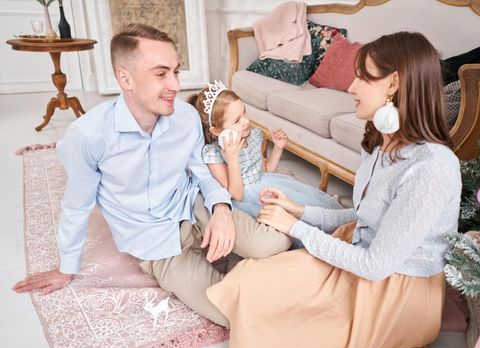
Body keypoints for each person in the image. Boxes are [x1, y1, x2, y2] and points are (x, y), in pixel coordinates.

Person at [12, 23, 292, 327]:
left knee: (274, 247)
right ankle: (235, 267)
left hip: (195, 208)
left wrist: (222, 210)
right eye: (161, 74)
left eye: (176, 72)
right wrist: (67, 268)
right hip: (156, 245)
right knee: (235, 314)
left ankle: (236, 258)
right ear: (125, 78)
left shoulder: (185, 118)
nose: (174, 84)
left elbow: (203, 173)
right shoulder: (89, 136)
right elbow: (77, 207)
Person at [206, 31, 462, 348]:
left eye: (361, 78)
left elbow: (374, 265)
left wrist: (297, 226)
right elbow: (368, 215)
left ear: (393, 84)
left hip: (392, 293)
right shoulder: (379, 142)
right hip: (354, 256)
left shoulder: (431, 166)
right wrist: (299, 210)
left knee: (280, 327)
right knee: (247, 280)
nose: (351, 87)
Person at [187, 82, 341, 248]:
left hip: (267, 184)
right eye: (237, 120)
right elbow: (236, 195)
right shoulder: (213, 154)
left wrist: (278, 148)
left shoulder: (252, 136)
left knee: (304, 204)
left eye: (244, 111)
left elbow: (266, 171)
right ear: (217, 131)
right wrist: (232, 159)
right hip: (246, 199)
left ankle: (336, 223)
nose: (246, 121)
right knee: (288, 222)